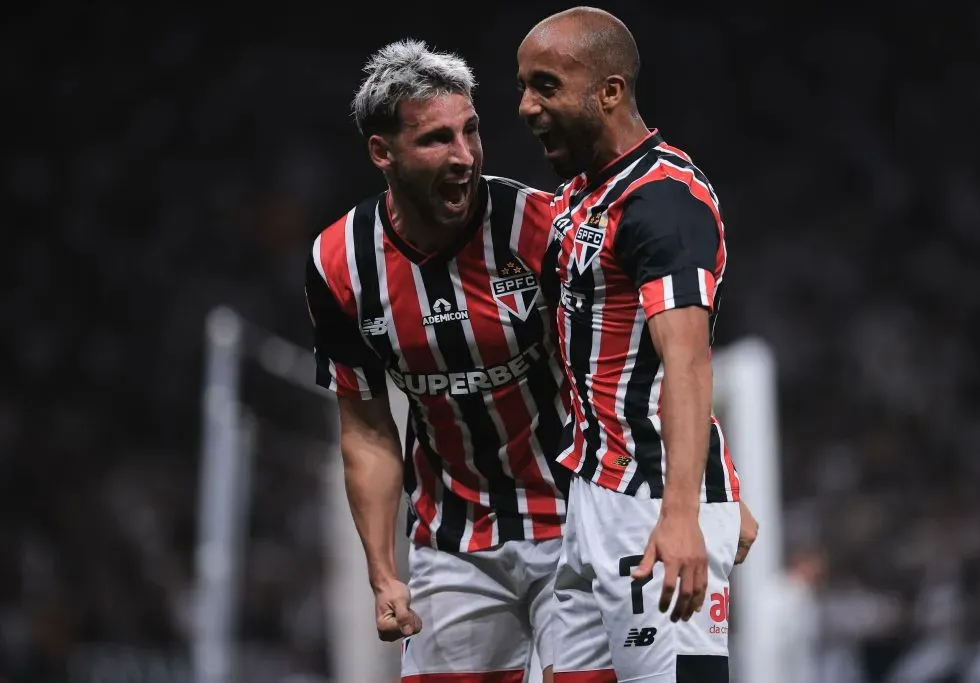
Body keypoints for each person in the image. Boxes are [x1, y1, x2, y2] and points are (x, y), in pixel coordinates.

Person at [305, 39, 570, 682]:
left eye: (471, 131)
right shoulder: (339, 263)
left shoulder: (540, 228)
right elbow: (366, 428)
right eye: (435, 140)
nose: (463, 157)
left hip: (576, 522)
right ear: (382, 152)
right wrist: (383, 571)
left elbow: (612, 375)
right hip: (454, 542)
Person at [517, 7, 756, 681]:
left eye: (545, 86)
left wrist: (688, 512)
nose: (526, 106)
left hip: (654, 507)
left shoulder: (664, 202)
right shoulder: (580, 198)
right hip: (592, 491)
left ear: (610, 91)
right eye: (524, 87)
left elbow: (685, 359)